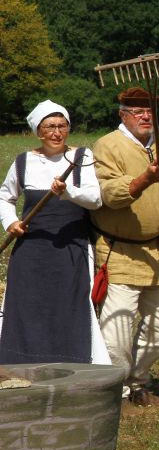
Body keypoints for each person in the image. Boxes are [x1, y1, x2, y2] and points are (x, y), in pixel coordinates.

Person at [0, 100, 109, 364]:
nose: (57, 133)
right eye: (49, 127)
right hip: (31, 250)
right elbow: (4, 197)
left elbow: (95, 199)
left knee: (70, 304)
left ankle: (73, 363)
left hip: (72, 248)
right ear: (38, 131)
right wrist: (11, 222)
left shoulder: (82, 157)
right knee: (28, 304)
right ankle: (21, 363)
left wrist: (67, 192)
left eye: (62, 126)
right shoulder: (24, 162)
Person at [91, 87, 159, 406]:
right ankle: (118, 391)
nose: (145, 116)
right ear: (122, 114)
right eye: (138, 111)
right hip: (120, 252)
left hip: (156, 254)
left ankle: (138, 380)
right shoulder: (107, 145)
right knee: (116, 333)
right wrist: (143, 179)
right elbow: (109, 195)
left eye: (150, 109)